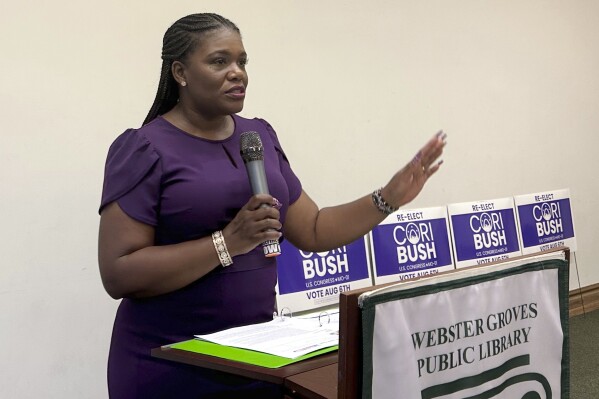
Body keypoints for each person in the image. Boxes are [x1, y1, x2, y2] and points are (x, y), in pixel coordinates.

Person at [98, 12, 446, 399]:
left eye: (242, 61)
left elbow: (313, 229)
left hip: (257, 359)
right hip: (170, 365)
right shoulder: (145, 148)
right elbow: (119, 273)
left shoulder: (258, 136)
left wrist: (388, 198)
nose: (237, 73)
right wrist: (227, 243)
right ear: (180, 72)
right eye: (219, 61)